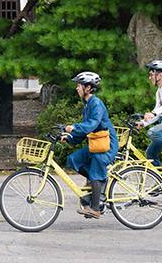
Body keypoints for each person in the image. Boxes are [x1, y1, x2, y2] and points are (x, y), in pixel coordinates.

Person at [63, 71, 119, 219]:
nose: (77, 88)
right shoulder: (87, 105)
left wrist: (73, 127)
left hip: (107, 145)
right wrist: (70, 137)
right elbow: (84, 132)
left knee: (95, 168)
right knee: (74, 159)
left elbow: (90, 125)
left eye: (79, 86)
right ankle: (99, 186)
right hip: (97, 145)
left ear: (88, 88)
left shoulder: (96, 104)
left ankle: (95, 208)